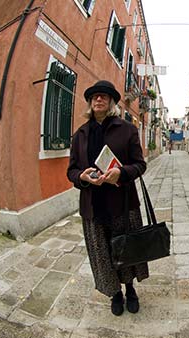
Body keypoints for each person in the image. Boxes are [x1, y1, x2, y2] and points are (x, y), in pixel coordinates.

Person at [67, 80, 148, 316]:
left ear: (111, 102)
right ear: (90, 104)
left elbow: (140, 165)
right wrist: (81, 177)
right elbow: (71, 171)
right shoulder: (80, 135)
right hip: (93, 207)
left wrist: (120, 173)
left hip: (122, 204)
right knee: (102, 255)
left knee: (127, 251)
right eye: (94, 97)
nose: (98, 100)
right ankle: (116, 294)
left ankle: (130, 289)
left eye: (103, 96)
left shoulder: (127, 130)